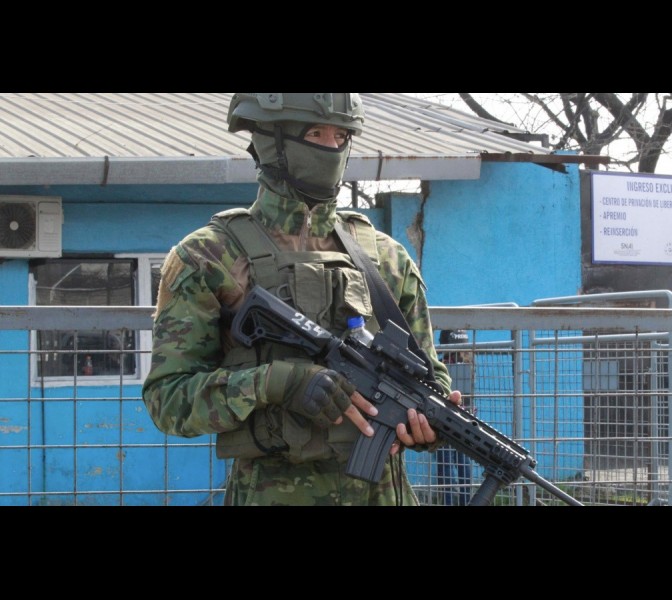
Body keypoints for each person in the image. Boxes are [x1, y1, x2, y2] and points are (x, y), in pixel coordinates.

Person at [142, 93, 461, 506]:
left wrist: (427, 427)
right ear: (270, 141)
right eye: (315, 134)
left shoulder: (386, 258)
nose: (332, 148)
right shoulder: (209, 256)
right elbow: (168, 401)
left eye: (341, 136)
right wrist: (275, 383)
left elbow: (430, 378)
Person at [435, 329, 474, 505]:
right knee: (463, 463)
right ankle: (466, 501)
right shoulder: (468, 365)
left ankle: (448, 502)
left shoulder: (442, 365)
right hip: (465, 420)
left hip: (446, 420)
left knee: (445, 464)